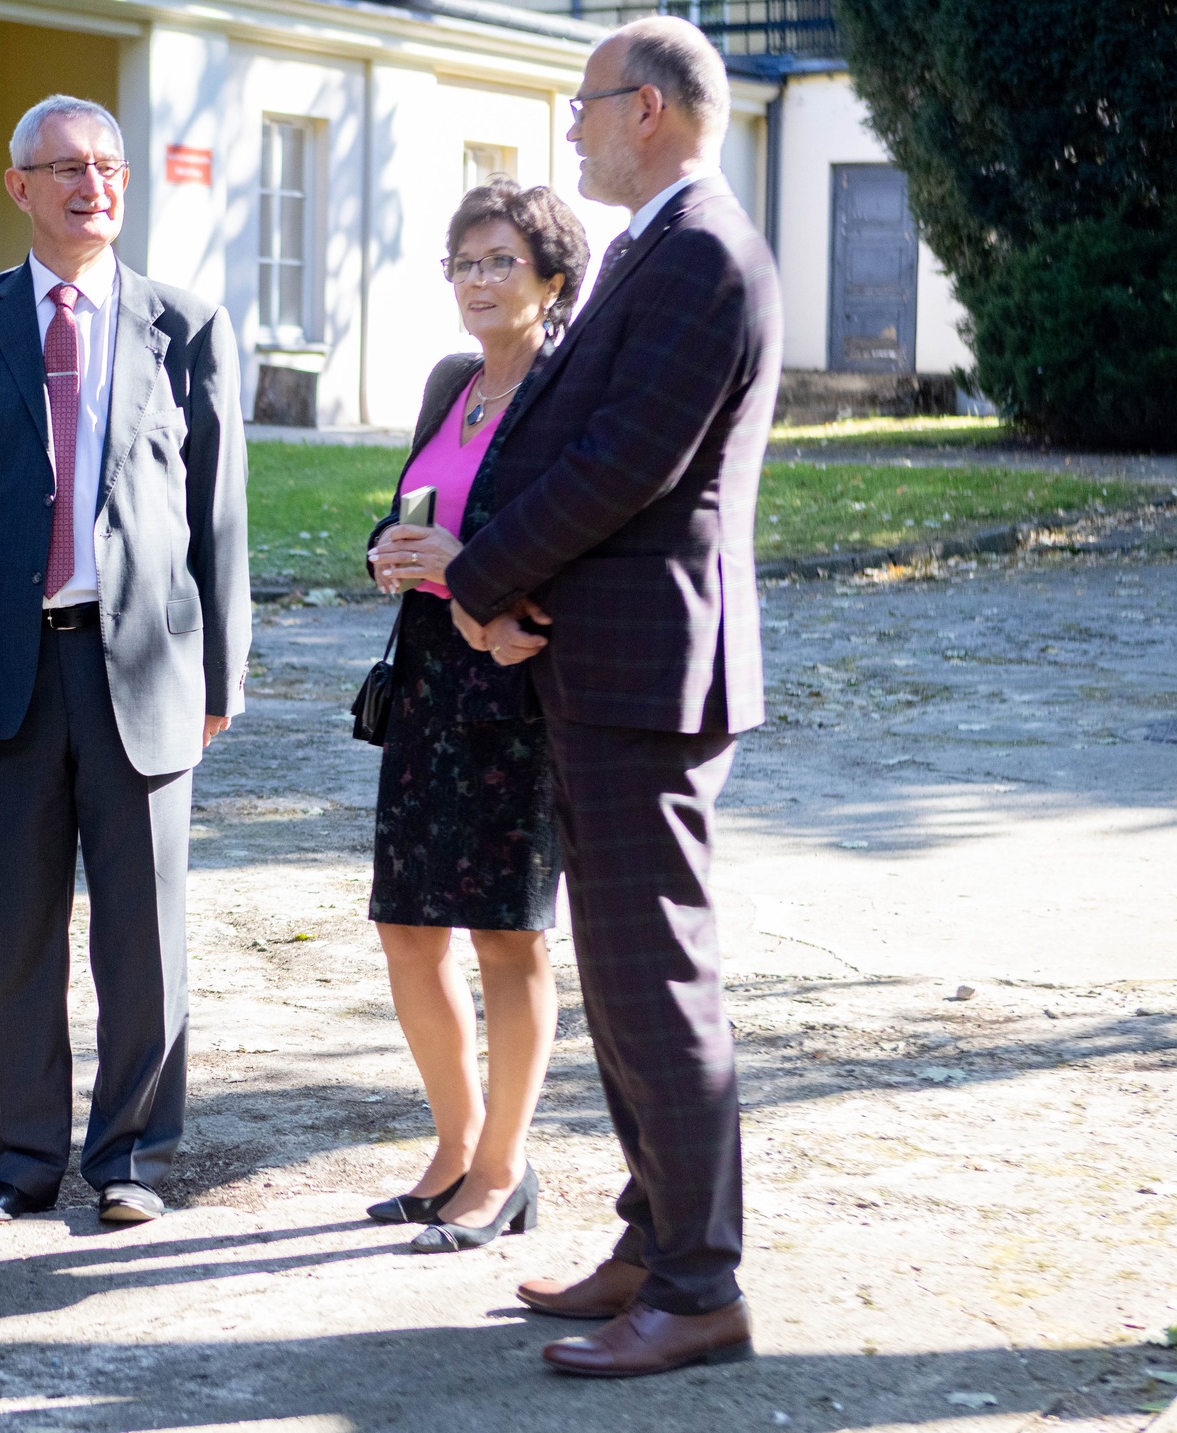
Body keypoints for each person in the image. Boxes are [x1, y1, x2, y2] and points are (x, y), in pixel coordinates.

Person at [443, 18, 782, 1376]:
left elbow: (628, 462)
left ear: (646, 108)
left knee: (659, 986)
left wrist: (480, 576)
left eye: (582, 107)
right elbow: (567, 438)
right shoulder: (659, 244)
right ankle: (655, 1239)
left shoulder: (701, 251)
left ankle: (700, 1286)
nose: (569, 129)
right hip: (610, 659)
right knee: (629, 981)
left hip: (653, 671)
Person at [0, 94, 249, 1226]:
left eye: (106, 167)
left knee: (142, 927)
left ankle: (129, 1154)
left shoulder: (185, 327)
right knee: (16, 923)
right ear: (18, 188)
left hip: (141, 664)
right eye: (62, 167)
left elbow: (219, 524)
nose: (88, 184)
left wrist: (221, 674)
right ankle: (20, 1157)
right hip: (6, 669)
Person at [361, 179, 587, 1254]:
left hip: (513, 687)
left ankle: (503, 1168)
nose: (480, 280)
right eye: (464, 262)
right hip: (426, 687)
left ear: (550, 278)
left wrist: (467, 572)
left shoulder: (565, 388)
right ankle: (453, 1147)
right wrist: (387, 548)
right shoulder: (450, 382)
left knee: (506, 933)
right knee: (406, 924)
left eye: (502, 260)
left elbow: (562, 532)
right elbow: (418, 504)